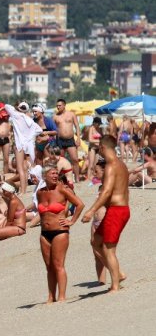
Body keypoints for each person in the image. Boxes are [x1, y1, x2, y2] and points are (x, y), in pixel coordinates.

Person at [82, 135, 130, 293]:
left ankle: (115, 285)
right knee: (96, 242)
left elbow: (107, 191)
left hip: (116, 210)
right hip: (119, 209)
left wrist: (91, 210)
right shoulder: (122, 164)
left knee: (109, 249)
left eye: (99, 148)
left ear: (103, 147)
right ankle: (119, 274)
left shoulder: (111, 166)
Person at [37, 165, 85, 303]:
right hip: (44, 233)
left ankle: (62, 296)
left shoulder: (62, 190)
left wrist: (72, 221)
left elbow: (80, 204)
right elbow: (42, 212)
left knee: (58, 265)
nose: (55, 176)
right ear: (44, 176)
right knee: (49, 267)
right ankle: (51, 296)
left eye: (56, 174)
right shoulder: (40, 193)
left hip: (60, 231)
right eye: (52, 173)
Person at [0, 102, 43, 194]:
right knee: (26, 168)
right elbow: (40, 130)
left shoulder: (15, 115)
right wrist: (29, 137)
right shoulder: (29, 120)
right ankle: (25, 189)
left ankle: (22, 191)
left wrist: (16, 108)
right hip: (29, 145)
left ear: (19, 108)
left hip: (19, 144)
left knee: (21, 169)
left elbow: (7, 105)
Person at [53, 99, 82, 183]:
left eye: (59, 105)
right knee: (60, 160)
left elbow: (77, 126)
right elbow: (53, 129)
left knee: (75, 159)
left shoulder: (71, 114)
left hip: (70, 140)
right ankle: (62, 179)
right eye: (57, 106)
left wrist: (78, 138)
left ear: (64, 105)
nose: (58, 107)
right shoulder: (55, 116)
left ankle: (77, 178)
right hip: (60, 140)